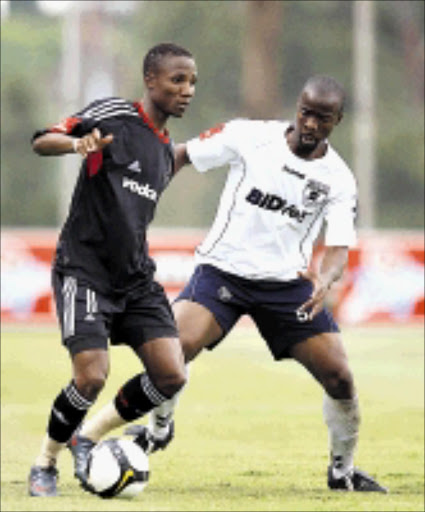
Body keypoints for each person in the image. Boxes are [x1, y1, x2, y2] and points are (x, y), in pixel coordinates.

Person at [71, 75, 388, 493]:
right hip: (222, 271)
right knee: (173, 351)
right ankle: (134, 432)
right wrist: (139, 194)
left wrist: (326, 278)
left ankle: (342, 472)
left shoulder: (339, 179)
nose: (311, 124)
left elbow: (338, 248)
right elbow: (180, 155)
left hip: (285, 285)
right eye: (306, 113)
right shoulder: (248, 137)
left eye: (323, 119)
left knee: (340, 377)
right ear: (297, 107)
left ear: (337, 121)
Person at [27, 42, 197, 497]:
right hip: (84, 269)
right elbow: (43, 139)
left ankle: (88, 438)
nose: (187, 90)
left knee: (171, 375)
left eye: (192, 82)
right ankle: (45, 462)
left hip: (136, 279)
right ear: (150, 80)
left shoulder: (165, 151)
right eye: (177, 80)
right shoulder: (115, 116)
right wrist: (77, 143)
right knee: (92, 375)